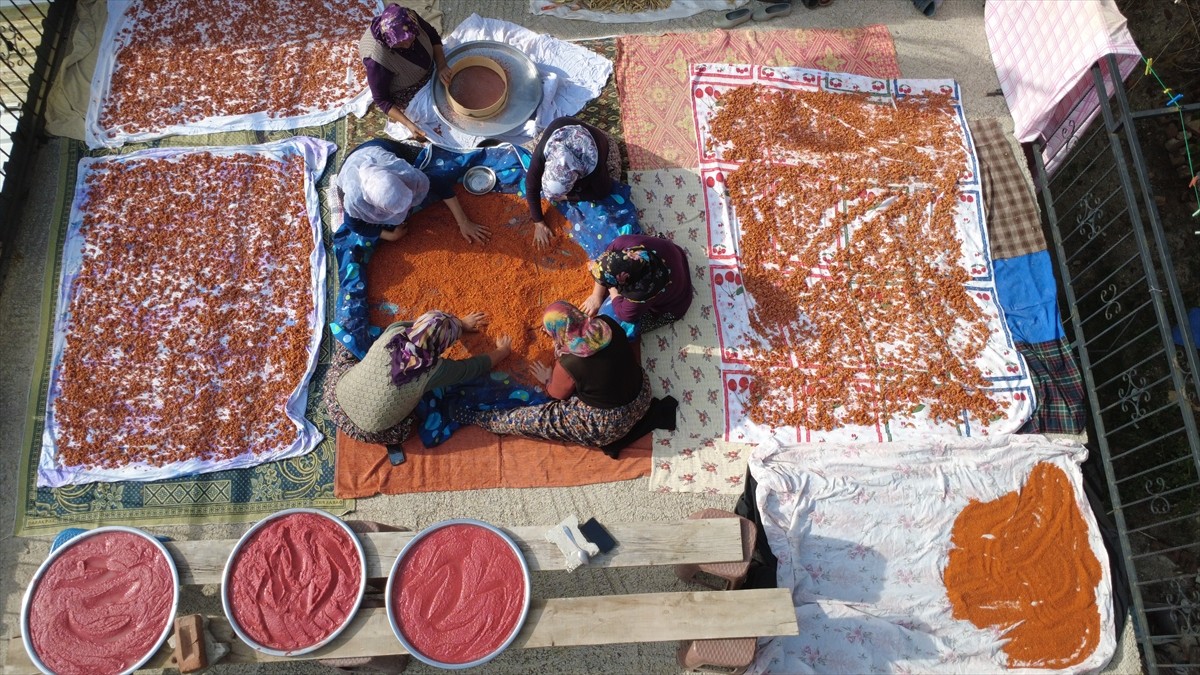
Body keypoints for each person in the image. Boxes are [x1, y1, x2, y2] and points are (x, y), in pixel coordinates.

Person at [453, 301, 652, 448]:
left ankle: (482, 418)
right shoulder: (606, 324)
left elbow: (556, 395)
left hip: (610, 423)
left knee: (534, 419)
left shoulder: (570, 362)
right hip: (642, 394)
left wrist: (548, 379)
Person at [323, 310, 513, 447]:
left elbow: (420, 327)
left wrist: (457, 323)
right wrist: (502, 351)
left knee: (347, 357)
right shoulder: (433, 370)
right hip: (365, 431)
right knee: (410, 424)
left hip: (334, 400)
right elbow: (470, 369)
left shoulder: (394, 331)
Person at [337, 138, 488, 244]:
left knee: (428, 161)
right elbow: (354, 225)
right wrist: (390, 236)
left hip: (379, 146)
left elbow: (440, 184)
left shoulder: (403, 173)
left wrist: (463, 222)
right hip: (350, 164)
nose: (409, 208)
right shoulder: (355, 203)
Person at [524, 117, 623, 248]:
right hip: (562, 126)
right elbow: (531, 186)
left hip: (597, 141)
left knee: (614, 176)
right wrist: (538, 222)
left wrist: (568, 197)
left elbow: (602, 192)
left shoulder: (593, 167)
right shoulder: (547, 149)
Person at [359, 5, 450, 141]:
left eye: (411, 38)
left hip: (431, 66)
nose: (407, 45)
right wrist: (409, 124)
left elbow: (432, 35)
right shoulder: (377, 60)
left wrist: (442, 65)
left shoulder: (409, 18)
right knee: (445, 111)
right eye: (400, 44)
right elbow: (381, 100)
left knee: (459, 69)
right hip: (409, 90)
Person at [581, 234, 693, 333]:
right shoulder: (624, 243)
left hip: (678, 301)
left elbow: (624, 314)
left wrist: (611, 289)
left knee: (627, 327)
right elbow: (609, 251)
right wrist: (597, 295)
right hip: (673, 255)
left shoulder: (640, 294)